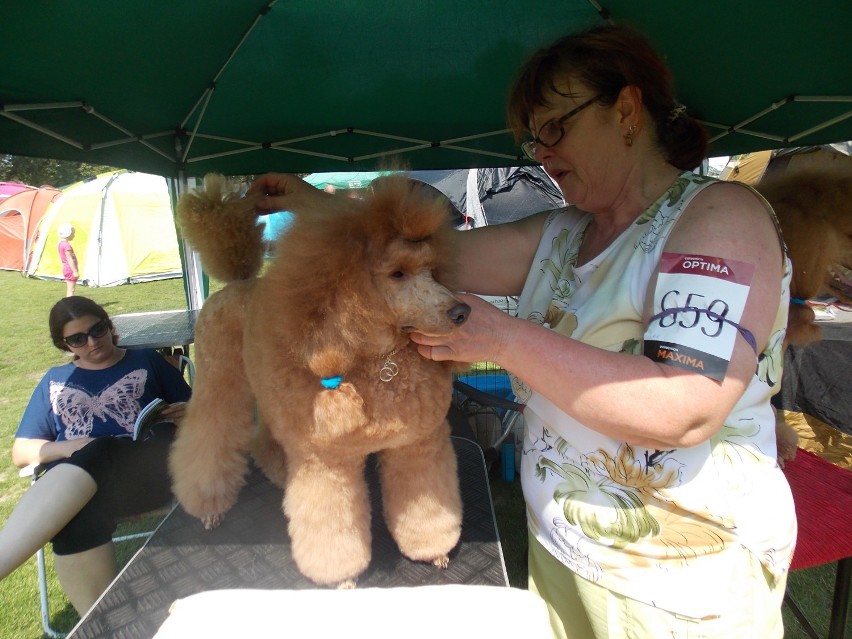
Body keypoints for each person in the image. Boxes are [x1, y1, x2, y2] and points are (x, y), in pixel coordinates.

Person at [247, 24, 795, 639]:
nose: (542, 152)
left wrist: (502, 338)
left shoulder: (718, 218)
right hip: (562, 548)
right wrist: (310, 203)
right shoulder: (561, 232)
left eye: (556, 127)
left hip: (681, 582)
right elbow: (403, 257)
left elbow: (685, 403)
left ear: (627, 110)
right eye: (533, 140)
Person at [0, 296, 191, 616]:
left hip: (146, 475)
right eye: (77, 338)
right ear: (64, 343)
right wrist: (69, 447)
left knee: (102, 449)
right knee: (75, 519)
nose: (92, 342)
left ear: (109, 325)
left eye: (97, 329)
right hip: (82, 490)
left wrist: (191, 412)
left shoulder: (146, 360)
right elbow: (21, 451)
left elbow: (207, 413)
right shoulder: (54, 381)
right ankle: (104, 622)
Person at [57, 223, 80, 297]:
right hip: (70, 269)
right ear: (68, 234)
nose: (74, 235)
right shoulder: (67, 246)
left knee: (70, 289)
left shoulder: (61, 244)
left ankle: (69, 304)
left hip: (66, 268)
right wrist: (75, 271)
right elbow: (70, 259)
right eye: (72, 233)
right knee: (71, 289)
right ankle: (69, 305)